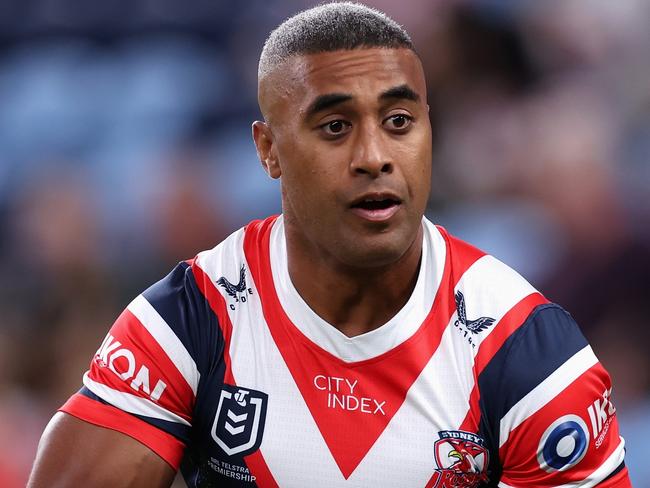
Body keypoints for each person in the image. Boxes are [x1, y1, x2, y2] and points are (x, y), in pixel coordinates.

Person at [28, 3, 630, 487]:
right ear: (268, 149)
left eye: (399, 122)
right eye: (335, 126)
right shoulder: (190, 318)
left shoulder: (526, 353)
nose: (374, 158)